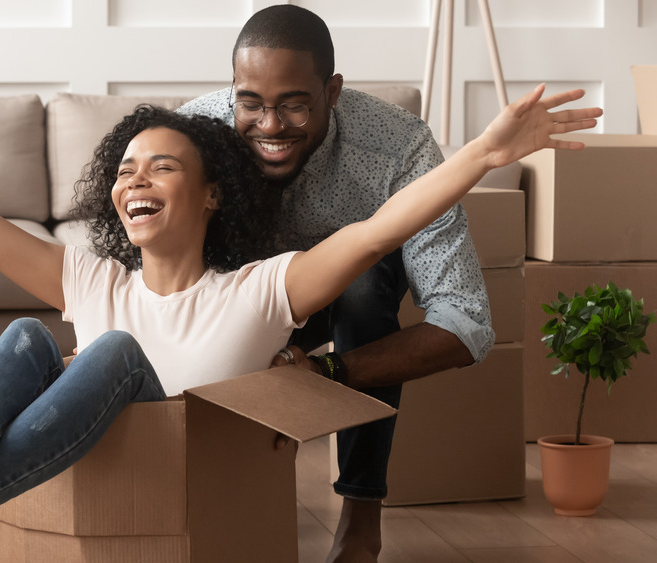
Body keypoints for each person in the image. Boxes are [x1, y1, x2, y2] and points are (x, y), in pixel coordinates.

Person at [0, 52, 599, 561]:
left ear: (209, 197)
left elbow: (381, 230)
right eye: (126, 168)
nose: (135, 179)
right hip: (84, 462)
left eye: (162, 167)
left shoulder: (258, 291)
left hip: (183, 480)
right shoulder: (93, 280)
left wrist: (487, 151)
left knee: (113, 354)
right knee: (29, 334)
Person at [176, 5, 505, 559]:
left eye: (294, 105)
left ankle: (361, 513)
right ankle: (228, 502)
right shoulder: (198, 135)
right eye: (251, 103)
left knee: (360, 293)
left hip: (350, 299)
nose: (270, 126)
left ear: (332, 90)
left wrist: (327, 372)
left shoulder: (399, 147)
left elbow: (466, 323)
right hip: (240, 293)